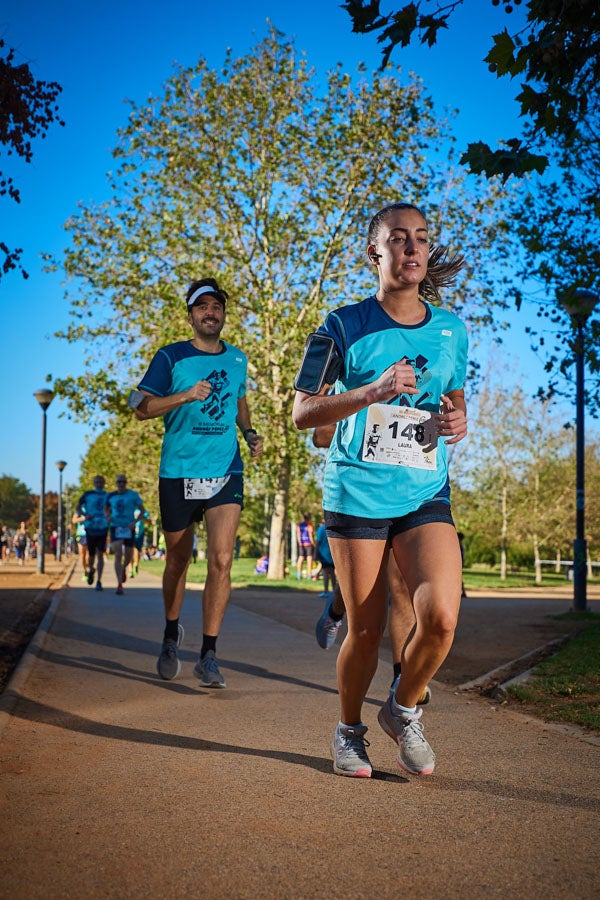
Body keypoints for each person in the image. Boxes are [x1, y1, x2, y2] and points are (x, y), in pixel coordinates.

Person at [292, 201, 468, 778]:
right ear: (377, 251)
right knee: (365, 631)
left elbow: (455, 406)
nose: (413, 248)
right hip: (358, 493)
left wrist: (456, 425)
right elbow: (303, 413)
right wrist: (371, 391)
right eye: (399, 238)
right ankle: (348, 733)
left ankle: (403, 708)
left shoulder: (451, 330)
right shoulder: (341, 326)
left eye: (421, 237)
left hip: (423, 490)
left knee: (440, 616)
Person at [133, 277, 264, 686]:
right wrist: (185, 396)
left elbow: (240, 403)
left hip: (225, 469)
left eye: (217, 306)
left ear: (223, 314)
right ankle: (171, 633)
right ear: (191, 315)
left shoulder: (238, 359)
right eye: (202, 307)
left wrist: (249, 433)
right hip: (178, 472)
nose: (211, 312)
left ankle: (209, 655)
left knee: (222, 559)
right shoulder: (170, 357)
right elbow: (139, 406)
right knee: (178, 558)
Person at [312, 423, 431, 709]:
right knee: (364, 587)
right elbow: (320, 435)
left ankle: (400, 676)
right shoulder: (360, 380)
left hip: (411, 494)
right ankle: (336, 609)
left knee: (400, 585)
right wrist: (377, 423)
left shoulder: (424, 382)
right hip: (362, 494)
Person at [104, 475, 145, 595]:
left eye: (123, 482)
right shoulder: (110, 495)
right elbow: (105, 508)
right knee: (117, 552)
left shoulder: (133, 495)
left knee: (128, 554)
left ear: (126, 483)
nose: (121, 484)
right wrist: (107, 516)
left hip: (129, 527)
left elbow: (142, 510)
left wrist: (135, 523)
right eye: (119, 482)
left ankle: (123, 569)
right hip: (116, 526)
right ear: (116, 483)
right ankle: (119, 584)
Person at [76, 475, 109, 591]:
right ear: (94, 483)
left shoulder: (107, 495)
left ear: (104, 483)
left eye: (101, 481)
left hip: (103, 528)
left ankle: (99, 581)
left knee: (100, 554)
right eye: (97, 481)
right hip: (90, 528)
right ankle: (91, 569)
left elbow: (112, 509)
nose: (99, 483)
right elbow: (78, 507)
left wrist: (108, 516)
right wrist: (85, 516)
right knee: (91, 555)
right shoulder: (87, 494)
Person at [314, 517, 336, 596]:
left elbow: (318, 542)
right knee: (332, 572)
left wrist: (315, 554)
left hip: (324, 554)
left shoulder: (321, 529)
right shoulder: (332, 528)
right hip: (332, 554)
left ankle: (326, 591)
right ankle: (334, 590)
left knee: (326, 572)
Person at [295, 513, 315, 580]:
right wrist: (313, 544)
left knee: (300, 558)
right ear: (309, 518)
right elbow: (310, 535)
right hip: (308, 544)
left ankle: (298, 574)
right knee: (309, 559)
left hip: (302, 544)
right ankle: (309, 575)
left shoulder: (299, 525)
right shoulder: (309, 525)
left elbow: (298, 535)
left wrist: (300, 542)